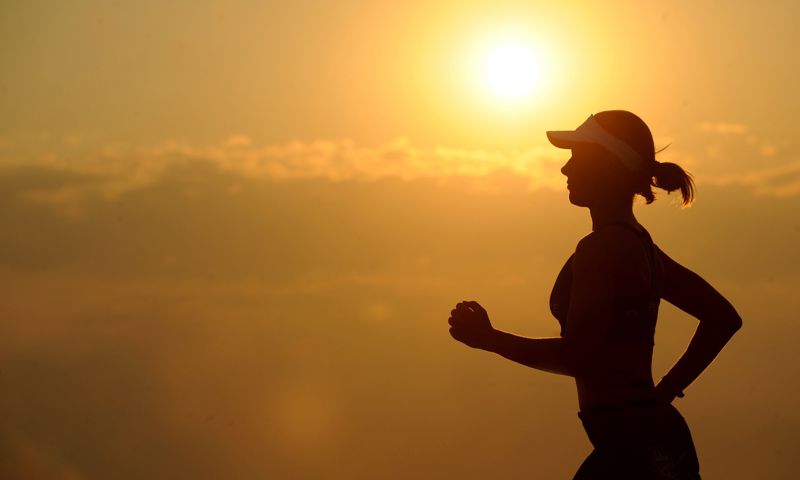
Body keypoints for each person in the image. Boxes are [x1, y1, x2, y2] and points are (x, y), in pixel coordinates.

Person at [447, 110, 742, 479]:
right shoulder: (641, 245)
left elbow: (578, 356)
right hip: (655, 443)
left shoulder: (601, 248)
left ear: (609, 166)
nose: (565, 170)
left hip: (633, 451)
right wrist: (664, 393)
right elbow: (723, 317)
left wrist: (489, 339)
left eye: (577, 157)